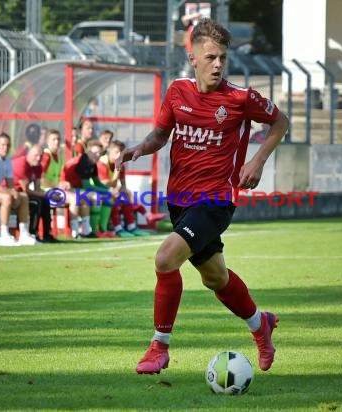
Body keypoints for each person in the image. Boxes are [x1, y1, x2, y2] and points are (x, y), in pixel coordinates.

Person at [116, 18, 289, 374]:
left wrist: (257, 159)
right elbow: (160, 136)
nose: (218, 64)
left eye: (222, 58)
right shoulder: (177, 91)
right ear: (192, 57)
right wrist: (139, 149)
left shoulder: (240, 98)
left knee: (165, 259)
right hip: (178, 200)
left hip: (215, 201)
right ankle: (261, 324)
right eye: (210, 57)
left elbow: (280, 122)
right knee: (216, 279)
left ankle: (158, 348)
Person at [97, 140, 163, 237]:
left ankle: (132, 227)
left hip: (110, 191)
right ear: (109, 151)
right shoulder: (102, 163)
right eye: (116, 152)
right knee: (114, 197)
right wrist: (116, 169)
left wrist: (122, 190)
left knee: (126, 194)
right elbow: (106, 183)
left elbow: (123, 185)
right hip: (97, 191)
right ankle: (119, 228)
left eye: (120, 153)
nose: (118, 155)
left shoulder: (120, 164)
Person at [41, 129, 92, 239]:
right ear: (47, 141)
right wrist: (57, 185)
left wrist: (64, 184)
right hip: (44, 191)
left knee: (83, 197)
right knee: (74, 198)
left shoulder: (58, 158)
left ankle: (87, 231)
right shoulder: (46, 156)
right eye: (53, 139)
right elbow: (40, 180)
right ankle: (75, 232)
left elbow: (58, 179)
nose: (56, 142)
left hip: (54, 189)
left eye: (58, 139)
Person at [61, 139, 114, 238]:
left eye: (100, 153)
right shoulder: (83, 161)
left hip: (79, 189)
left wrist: (108, 190)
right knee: (96, 197)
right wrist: (107, 190)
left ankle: (102, 230)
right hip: (68, 189)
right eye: (95, 153)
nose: (98, 155)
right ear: (88, 152)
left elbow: (97, 182)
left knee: (108, 197)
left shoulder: (93, 163)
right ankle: (93, 231)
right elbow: (87, 186)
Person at [12, 144, 57, 243]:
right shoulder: (21, 164)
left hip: (23, 194)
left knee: (45, 200)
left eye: (41, 156)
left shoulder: (38, 167)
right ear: (29, 154)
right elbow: (26, 190)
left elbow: (37, 188)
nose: (38, 158)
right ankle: (32, 233)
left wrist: (49, 194)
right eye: (36, 155)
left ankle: (46, 234)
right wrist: (46, 194)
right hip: (13, 193)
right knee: (36, 202)